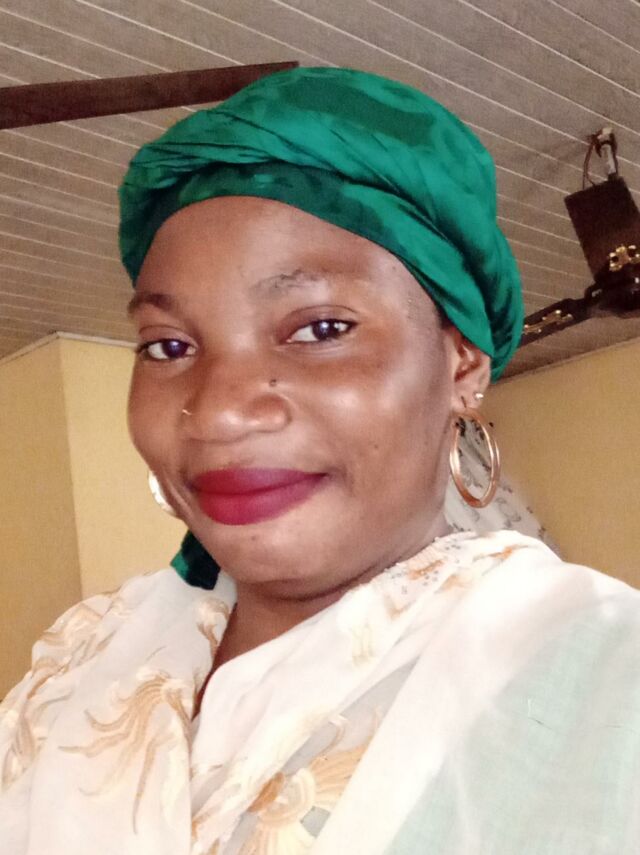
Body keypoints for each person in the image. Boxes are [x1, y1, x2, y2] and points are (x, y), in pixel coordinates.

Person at [1, 67, 638, 855]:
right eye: (168, 346)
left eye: (321, 329)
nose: (221, 409)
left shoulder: (602, 679)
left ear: (464, 364)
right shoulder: (87, 651)